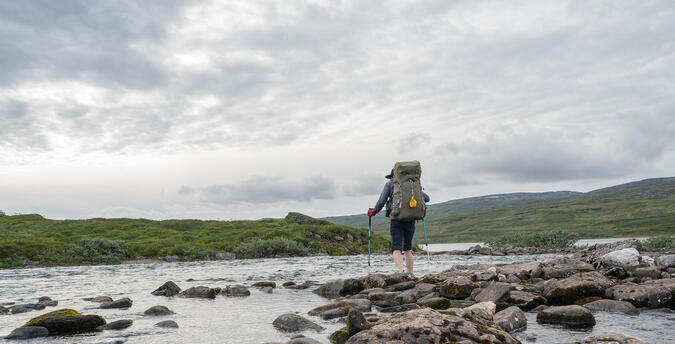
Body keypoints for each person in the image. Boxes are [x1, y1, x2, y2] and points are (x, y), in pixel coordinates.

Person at [368, 168, 429, 274]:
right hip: (410, 219)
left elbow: (381, 201)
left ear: (393, 176)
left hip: (396, 219)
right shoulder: (411, 184)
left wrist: (373, 212)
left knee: (396, 249)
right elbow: (427, 198)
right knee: (408, 249)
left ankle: (401, 272)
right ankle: (410, 273)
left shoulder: (390, 184)